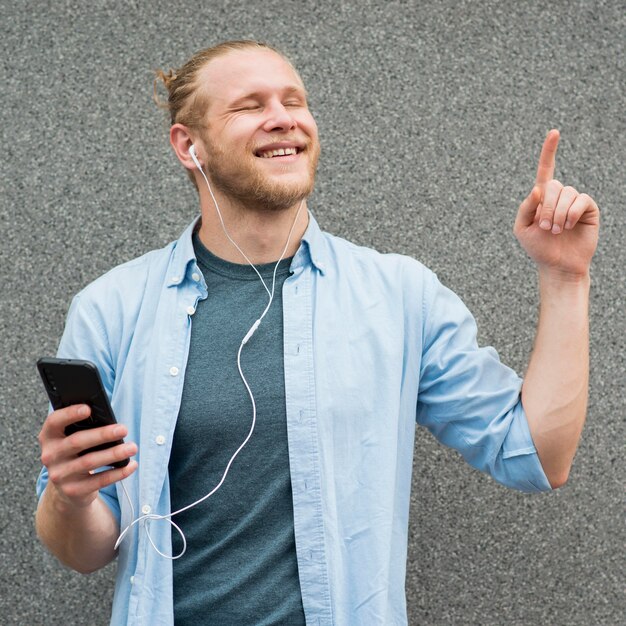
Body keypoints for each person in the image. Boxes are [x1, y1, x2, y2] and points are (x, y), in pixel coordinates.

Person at [35, 40, 600, 626]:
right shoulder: (111, 308)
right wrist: (69, 495)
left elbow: (536, 455)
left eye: (294, 100)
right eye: (249, 106)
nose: (283, 117)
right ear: (189, 145)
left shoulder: (400, 295)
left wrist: (565, 276)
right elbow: (85, 551)